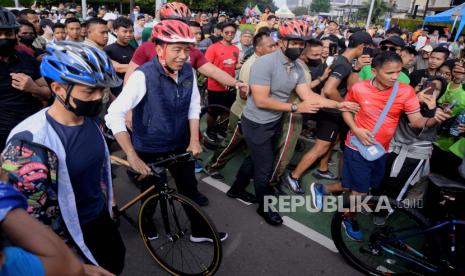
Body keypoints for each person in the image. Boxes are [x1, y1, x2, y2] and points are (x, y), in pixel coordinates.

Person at [3, 41, 125, 274]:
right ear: (58, 89)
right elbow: (29, 221)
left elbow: (99, 172)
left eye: (102, 89)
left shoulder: (90, 120)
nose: (99, 98)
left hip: (99, 219)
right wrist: (71, 264)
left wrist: (111, 204)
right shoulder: (29, 144)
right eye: (89, 91)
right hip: (66, 236)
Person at [105, 20, 228, 241]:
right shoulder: (143, 76)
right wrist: (132, 156)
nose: (183, 56)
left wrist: (194, 140)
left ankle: (199, 231)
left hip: (180, 142)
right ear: (159, 48)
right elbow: (114, 114)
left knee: (189, 189)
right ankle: (146, 223)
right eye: (177, 49)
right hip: (150, 146)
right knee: (151, 192)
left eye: (187, 50)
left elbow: (193, 105)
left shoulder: (188, 71)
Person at [310, 52, 450, 241]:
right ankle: (348, 218)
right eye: (390, 72)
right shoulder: (359, 88)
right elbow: (346, 111)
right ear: (374, 71)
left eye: (399, 72)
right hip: (356, 146)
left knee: (364, 186)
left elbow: (416, 121)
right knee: (359, 191)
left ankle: (323, 189)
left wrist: (432, 120)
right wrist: (356, 129)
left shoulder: (405, 91)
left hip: (382, 149)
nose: (395, 77)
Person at [237, 20, 359, 225]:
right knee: (265, 167)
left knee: (255, 160)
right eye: (294, 42)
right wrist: (295, 108)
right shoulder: (265, 63)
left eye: (302, 43)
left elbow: (308, 95)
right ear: (282, 42)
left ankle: (236, 189)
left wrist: (339, 105)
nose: (299, 47)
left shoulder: (296, 67)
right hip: (256, 123)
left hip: (273, 122)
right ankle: (264, 208)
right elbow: (260, 100)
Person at [284, 31, 373, 192]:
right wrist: (344, 104)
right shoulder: (342, 63)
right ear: (362, 47)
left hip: (334, 112)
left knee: (331, 143)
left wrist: (357, 69)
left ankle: (322, 169)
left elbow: (349, 86)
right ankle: (294, 176)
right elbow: (329, 89)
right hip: (330, 112)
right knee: (321, 147)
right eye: (367, 48)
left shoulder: (345, 61)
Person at [206, 30, 277, 185]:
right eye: (271, 46)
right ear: (259, 48)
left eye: (275, 45)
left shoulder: (265, 62)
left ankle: (251, 171)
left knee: (251, 146)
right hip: (242, 113)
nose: (275, 49)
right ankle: (212, 166)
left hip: (255, 115)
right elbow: (245, 94)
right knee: (231, 143)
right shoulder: (252, 65)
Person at [0, 8, 50, 149]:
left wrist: (33, 88)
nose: (3, 38)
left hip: (31, 133)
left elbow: (47, 92)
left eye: (8, 34)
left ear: (16, 35)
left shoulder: (26, 58)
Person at [204, 22, 240, 141]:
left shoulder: (235, 49)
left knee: (227, 111)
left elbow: (232, 65)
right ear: (221, 33)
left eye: (232, 32)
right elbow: (206, 68)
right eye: (227, 32)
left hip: (230, 87)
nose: (230, 34)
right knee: (213, 112)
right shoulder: (213, 48)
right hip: (215, 87)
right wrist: (220, 80)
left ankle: (221, 130)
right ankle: (210, 131)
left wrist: (242, 66)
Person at [104, 17, 136, 97]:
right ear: (115, 31)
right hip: (115, 92)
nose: (128, 34)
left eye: (131, 31)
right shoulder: (108, 50)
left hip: (132, 90)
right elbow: (118, 68)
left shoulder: (134, 49)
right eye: (125, 31)